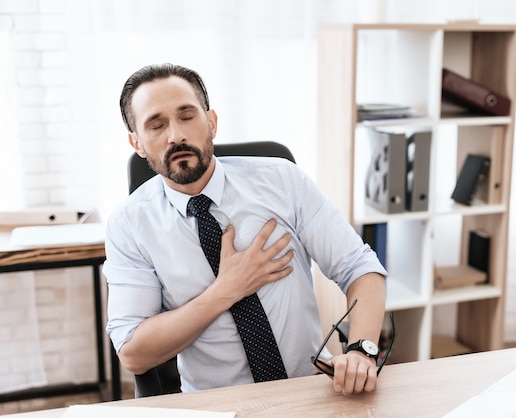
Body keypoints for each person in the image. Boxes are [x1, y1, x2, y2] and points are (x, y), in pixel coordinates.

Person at [104, 63, 387, 396]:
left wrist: (361, 349)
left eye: (187, 116)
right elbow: (133, 352)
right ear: (137, 143)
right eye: (157, 124)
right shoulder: (129, 224)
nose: (175, 135)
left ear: (211, 122)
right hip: (217, 405)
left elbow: (359, 266)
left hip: (309, 390)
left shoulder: (282, 180)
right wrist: (227, 289)